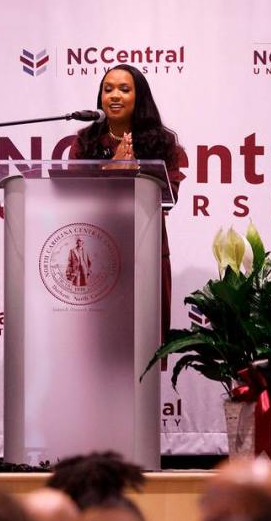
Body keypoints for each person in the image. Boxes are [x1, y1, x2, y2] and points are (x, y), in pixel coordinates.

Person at [68, 64, 188, 334]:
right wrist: (113, 168)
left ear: (139, 97)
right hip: (97, 254)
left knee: (143, 345)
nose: (114, 96)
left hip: (146, 250)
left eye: (124, 89)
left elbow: (171, 194)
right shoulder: (84, 142)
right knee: (100, 346)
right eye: (107, 89)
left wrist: (133, 172)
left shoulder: (162, 142)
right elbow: (73, 197)